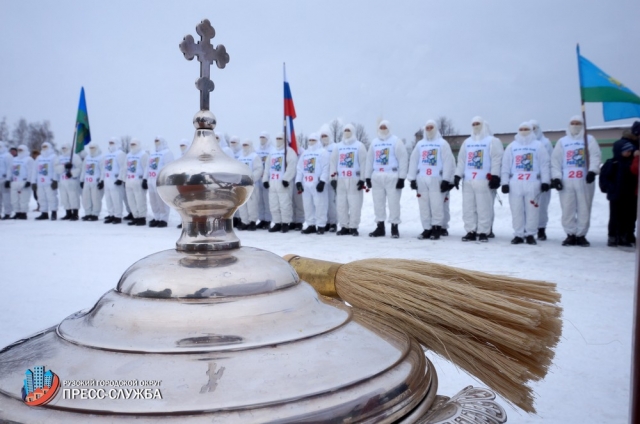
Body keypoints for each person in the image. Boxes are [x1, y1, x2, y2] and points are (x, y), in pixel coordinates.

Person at [551, 115, 601, 247]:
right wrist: (556, 177)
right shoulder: (562, 141)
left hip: (584, 179)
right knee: (568, 208)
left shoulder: (589, 139)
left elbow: (595, 156)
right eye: (572, 123)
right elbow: (555, 161)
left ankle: (581, 235)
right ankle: (570, 234)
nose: (575, 125)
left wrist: (593, 171)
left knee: (584, 207)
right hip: (567, 179)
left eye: (578, 123)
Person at [454, 116, 504, 242]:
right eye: (473, 124)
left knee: (484, 207)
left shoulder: (492, 141)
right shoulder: (467, 142)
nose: (476, 126)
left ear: (483, 125)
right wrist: (457, 175)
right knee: (468, 208)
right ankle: (471, 231)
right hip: (468, 181)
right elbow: (461, 161)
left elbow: (497, 159)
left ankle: (483, 232)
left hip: (484, 181)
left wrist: (495, 175)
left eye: (478, 123)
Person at [500, 122, 551, 245]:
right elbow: (506, 165)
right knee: (516, 210)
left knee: (532, 210)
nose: (523, 131)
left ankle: (530, 234)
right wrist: (504, 182)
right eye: (521, 129)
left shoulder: (538, 146)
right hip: (515, 183)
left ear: (531, 131)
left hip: (533, 182)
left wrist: (545, 181)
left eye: (526, 129)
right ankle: (518, 234)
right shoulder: (512, 146)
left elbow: (545, 165)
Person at [408, 120, 455, 240]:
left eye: (431, 127)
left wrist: (446, 179)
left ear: (435, 129)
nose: (429, 129)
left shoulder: (442, 144)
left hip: (436, 179)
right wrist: (412, 178)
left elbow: (448, 162)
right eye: (427, 128)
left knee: (436, 204)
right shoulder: (420, 145)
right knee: (424, 205)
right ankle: (427, 228)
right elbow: (413, 161)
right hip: (422, 179)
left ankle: (437, 227)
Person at [365, 120, 409, 238]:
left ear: (389, 128)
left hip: (392, 176)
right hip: (377, 176)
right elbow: (369, 160)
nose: (383, 129)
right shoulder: (374, 143)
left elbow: (403, 159)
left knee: (393, 203)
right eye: (381, 127)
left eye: (385, 127)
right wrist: (367, 177)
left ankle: (394, 227)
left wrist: (402, 178)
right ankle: (380, 227)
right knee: (378, 203)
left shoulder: (396, 141)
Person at [601, 121, 640, 246]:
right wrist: (609, 188)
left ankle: (625, 235)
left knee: (628, 215)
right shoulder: (614, 163)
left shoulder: (629, 163)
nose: (629, 153)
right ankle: (613, 236)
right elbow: (604, 177)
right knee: (615, 216)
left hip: (629, 193)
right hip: (616, 193)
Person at [330, 124, 367, 236]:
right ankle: (344, 226)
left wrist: (362, 179)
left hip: (354, 180)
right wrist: (333, 178)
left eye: (349, 130)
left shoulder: (359, 146)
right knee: (341, 204)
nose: (346, 132)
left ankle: (354, 226)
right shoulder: (338, 146)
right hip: (341, 179)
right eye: (345, 130)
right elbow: (333, 162)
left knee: (355, 204)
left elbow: (363, 163)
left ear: (353, 131)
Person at [262, 133, 297, 233]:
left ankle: (285, 223)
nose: (278, 140)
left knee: (284, 203)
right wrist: (265, 179)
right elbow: (267, 166)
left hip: (283, 183)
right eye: (277, 138)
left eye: (280, 138)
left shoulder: (289, 151)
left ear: (285, 140)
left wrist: (287, 178)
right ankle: (277, 222)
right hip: (273, 182)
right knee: (273, 204)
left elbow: (292, 166)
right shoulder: (272, 152)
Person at [296, 133, 330, 234]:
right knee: (307, 205)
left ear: (317, 141)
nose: (311, 142)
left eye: (313, 140)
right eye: (310, 140)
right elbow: (299, 169)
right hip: (306, 183)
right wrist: (298, 181)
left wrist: (323, 181)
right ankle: (311, 224)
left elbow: (326, 168)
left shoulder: (323, 152)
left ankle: (321, 225)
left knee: (320, 205)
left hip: (317, 183)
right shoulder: (305, 154)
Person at [530, 119, 554, 240]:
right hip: (528, 180)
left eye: (535, 128)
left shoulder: (545, 143)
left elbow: (550, 161)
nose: (533, 131)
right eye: (531, 128)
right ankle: (528, 229)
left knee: (542, 206)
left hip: (542, 180)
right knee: (528, 206)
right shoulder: (525, 144)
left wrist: (548, 179)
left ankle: (541, 229)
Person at [146, 136, 174, 228]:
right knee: (153, 200)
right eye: (155, 141)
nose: (156, 142)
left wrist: (167, 179)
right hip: (151, 180)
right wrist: (144, 178)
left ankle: (164, 219)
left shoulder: (167, 153)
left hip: (161, 181)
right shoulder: (152, 153)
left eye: (158, 141)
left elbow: (169, 167)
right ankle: (157, 217)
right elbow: (148, 167)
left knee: (162, 200)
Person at [236, 139, 263, 231]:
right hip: (241, 185)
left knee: (252, 204)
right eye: (243, 145)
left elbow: (259, 169)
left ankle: (252, 221)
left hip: (251, 184)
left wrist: (251, 179)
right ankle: (244, 221)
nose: (244, 147)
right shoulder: (240, 157)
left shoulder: (254, 156)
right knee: (242, 204)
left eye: (246, 145)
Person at [102, 137, 127, 224]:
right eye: (110, 143)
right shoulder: (107, 155)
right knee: (109, 199)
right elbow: (104, 168)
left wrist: (120, 178)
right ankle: (111, 214)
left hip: (115, 180)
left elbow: (123, 167)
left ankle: (118, 216)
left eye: (112, 143)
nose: (111, 144)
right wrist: (102, 179)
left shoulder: (120, 154)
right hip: (107, 179)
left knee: (116, 199)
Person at [54, 144, 82, 221]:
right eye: (62, 148)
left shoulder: (75, 157)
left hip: (72, 181)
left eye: (65, 148)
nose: (63, 149)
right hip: (62, 181)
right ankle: (68, 213)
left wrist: (72, 173)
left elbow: (80, 168)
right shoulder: (59, 157)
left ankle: (75, 214)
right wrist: (64, 167)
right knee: (64, 198)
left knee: (73, 197)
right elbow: (56, 168)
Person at [125, 139, 149, 226]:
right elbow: (125, 168)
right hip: (129, 180)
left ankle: (142, 217)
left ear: (138, 144)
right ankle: (135, 216)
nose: (132, 146)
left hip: (138, 180)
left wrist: (145, 179)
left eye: (134, 144)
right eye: (131, 144)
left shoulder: (143, 155)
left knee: (140, 200)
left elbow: (146, 167)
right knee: (131, 200)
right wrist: (123, 179)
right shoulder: (128, 155)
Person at [32, 141, 59, 220]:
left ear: (49, 147)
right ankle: (44, 213)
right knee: (41, 198)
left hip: (50, 182)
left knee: (52, 197)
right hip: (40, 182)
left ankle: (54, 212)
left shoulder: (54, 157)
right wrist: (33, 182)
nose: (44, 149)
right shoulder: (39, 158)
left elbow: (55, 169)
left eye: (46, 147)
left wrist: (55, 180)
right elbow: (35, 170)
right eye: (43, 147)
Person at [8, 145, 34, 219]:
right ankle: (17, 212)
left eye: (21, 150)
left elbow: (31, 171)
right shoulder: (14, 159)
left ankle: (23, 213)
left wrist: (29, 181)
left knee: (24, 199)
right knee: (14, 199)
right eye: (18, 150)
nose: (20, 151)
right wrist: (8, 179)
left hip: (24, 181)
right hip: (14, 181)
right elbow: (10, 170)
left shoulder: (29, 159)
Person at [80, 143, 103, 221]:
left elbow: (103, 170)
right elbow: (84, 170)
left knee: (95, 198)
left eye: (93, 147)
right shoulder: (87, 157)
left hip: (95, 182)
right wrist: (81, 180)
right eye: (90, 148)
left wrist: (101, 180)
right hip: (87, 181)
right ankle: (88, 213)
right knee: (86, 198)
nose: (92, 149)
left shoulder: (101, 157)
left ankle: (95, 214)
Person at [321, 129, 338, 232]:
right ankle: (326, 222)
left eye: (325, 136)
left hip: (332, 179)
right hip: (322, 180)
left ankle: (333, 222)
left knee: (332, 202)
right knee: (324, 202)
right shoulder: (320, 148)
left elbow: (336, 163)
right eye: (322, 136)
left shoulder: (335, 147)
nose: (324, 138)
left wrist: (334, 178)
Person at [255, 132, 273, 229]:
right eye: (260, 137)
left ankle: (268, 219)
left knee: (267, 200)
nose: (262, 139)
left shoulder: (272, 150)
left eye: (264, 137)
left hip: (267, 179)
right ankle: (261, 218)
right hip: (258, 178)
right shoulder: (256, 150)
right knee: (259, 200)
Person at [0, 141, 12, 219]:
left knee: (6, 197)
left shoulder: (7, 155)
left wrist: (8, 179)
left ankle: (7, 213)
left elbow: (10, 168)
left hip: (4, 180)